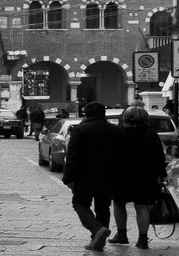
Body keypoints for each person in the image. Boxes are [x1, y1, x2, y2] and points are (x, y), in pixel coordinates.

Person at [62, 102, 126, 252]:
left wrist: (68, 178)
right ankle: (97, 241)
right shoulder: (117, 131)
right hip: (110, 177)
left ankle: (97, 229)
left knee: (80, 204)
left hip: (84, 177)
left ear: (86, 114)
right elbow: (124, 156)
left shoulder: (80, 130)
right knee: (103, 207)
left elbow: (73, 157)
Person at [115, 105, 167, 250]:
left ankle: (122, 234)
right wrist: (162, 174)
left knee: (119, 203)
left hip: (122, 174)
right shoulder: (151, 134)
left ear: (125, 118)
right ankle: (142, 239)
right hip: (146, 175)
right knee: (142, 206)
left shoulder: (120, 133)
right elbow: (159, 157)